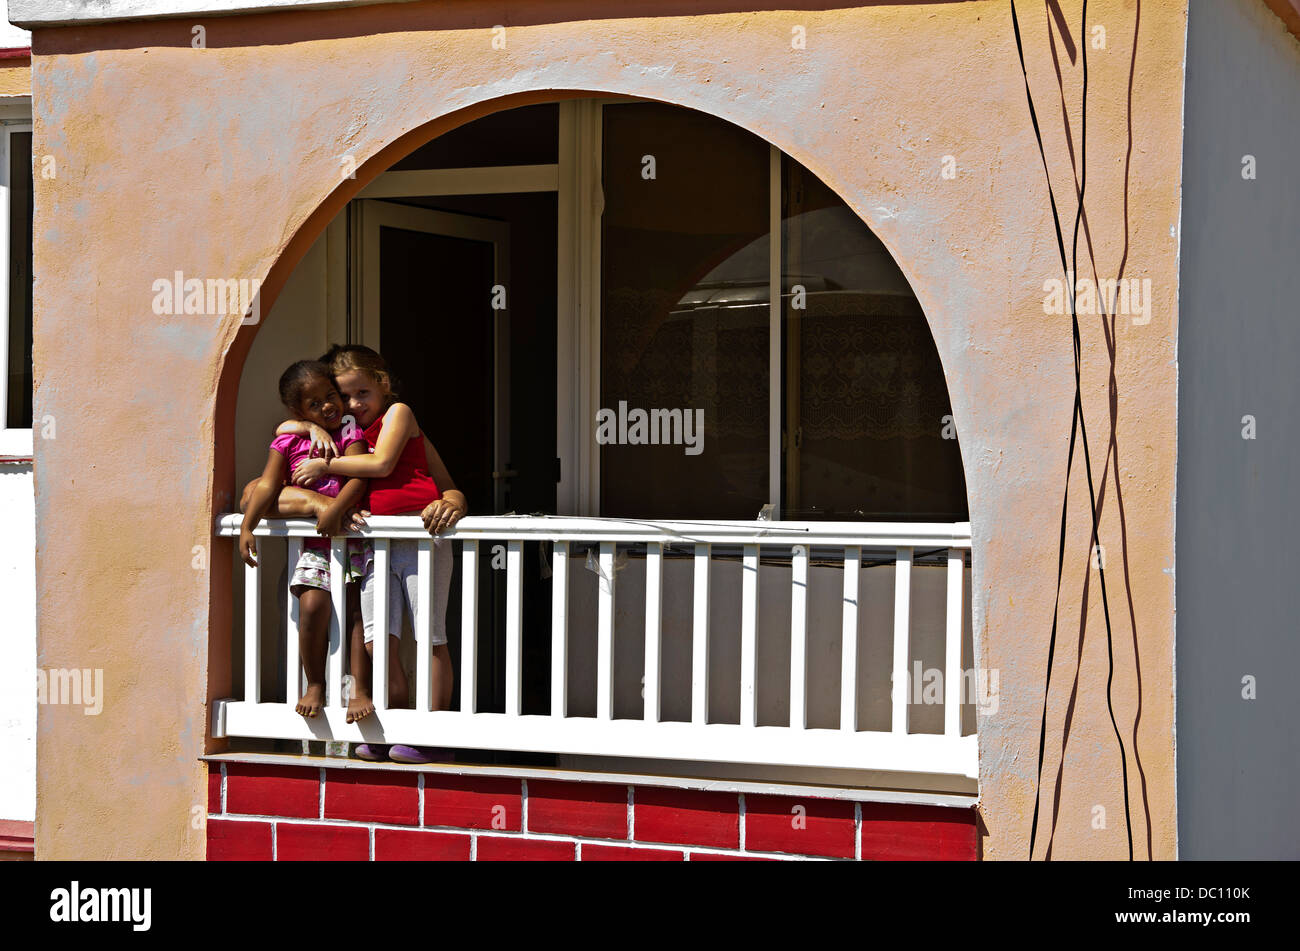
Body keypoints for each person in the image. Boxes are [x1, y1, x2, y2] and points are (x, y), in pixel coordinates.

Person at [291, 344, 467, 763]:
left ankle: (430, 733)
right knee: (377, 641)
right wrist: (307, 429)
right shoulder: (350, 436)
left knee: (430, 637)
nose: (353, 404)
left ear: (383, 385)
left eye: (362, 393)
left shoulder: (399, 414)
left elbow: (390, 466)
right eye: (344, 396)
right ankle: (392, 727)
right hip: (375, 548)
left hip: (420, 540)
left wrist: (454, 502)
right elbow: (289, 429)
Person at [239, 360, 370, 718]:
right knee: (312, 608)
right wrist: (247, 526)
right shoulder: (288, 439)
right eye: (315, 403)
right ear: (299, 412)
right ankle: (315, 683)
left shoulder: (349, 433)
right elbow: (267, 485)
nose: (328, 405)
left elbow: (359, 479)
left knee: (358, 615)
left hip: (352, 540)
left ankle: (358, 690)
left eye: (331, 396)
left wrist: (335, 508)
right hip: (315, 547)